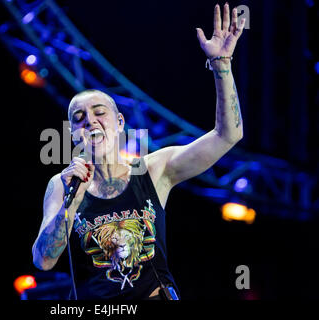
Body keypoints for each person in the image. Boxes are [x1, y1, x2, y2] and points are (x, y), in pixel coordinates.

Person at [32, 3, 246, 300]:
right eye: (79, 118)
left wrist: (222, 64)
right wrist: (71, 203)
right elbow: (43, 260)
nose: (90, 121)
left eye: (99, 112)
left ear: (119, 122)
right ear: (72, 133)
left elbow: (228, 135)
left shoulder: (154, 169)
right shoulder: (62, 185)